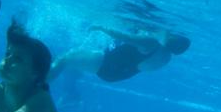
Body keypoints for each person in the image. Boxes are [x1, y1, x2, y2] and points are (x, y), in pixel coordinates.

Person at [48, 25, 190, 84]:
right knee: (72, 60)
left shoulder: (151, 43)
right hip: (119, 74)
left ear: (173, 38)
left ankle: (41, 83)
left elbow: (124, 37)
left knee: (66, 58)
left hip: (106, 64)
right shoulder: (166, 57)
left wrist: (101, 27)